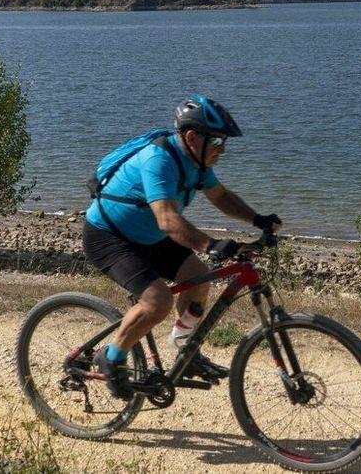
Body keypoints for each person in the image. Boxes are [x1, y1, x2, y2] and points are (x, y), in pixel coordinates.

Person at [83, 95, 282, 399]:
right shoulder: (158, 160)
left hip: (148, 235)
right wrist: (210, 243)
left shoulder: (197, 162)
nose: (223, 149)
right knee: (157, 300)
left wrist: (257, 219)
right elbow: (167, 219)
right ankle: (109, 357)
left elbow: (220, 196)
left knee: (198, 281)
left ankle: (184, 352)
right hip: (109, 237)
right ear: (192, 137)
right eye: (217, 141)